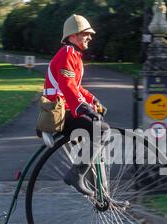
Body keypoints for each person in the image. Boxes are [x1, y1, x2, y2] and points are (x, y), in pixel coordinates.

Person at [42, 14, 109, 197]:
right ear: (72, 36)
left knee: (96, 141)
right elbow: (68, 87)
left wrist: (92, 100)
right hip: (59, 113)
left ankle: (102, 195)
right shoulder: (66, 55)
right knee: (102, 130)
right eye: (85, 33)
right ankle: (76, 175)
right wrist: (84, 108)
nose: (90, 37)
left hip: (65, 109)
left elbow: (76, 87)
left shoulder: (74, 56)